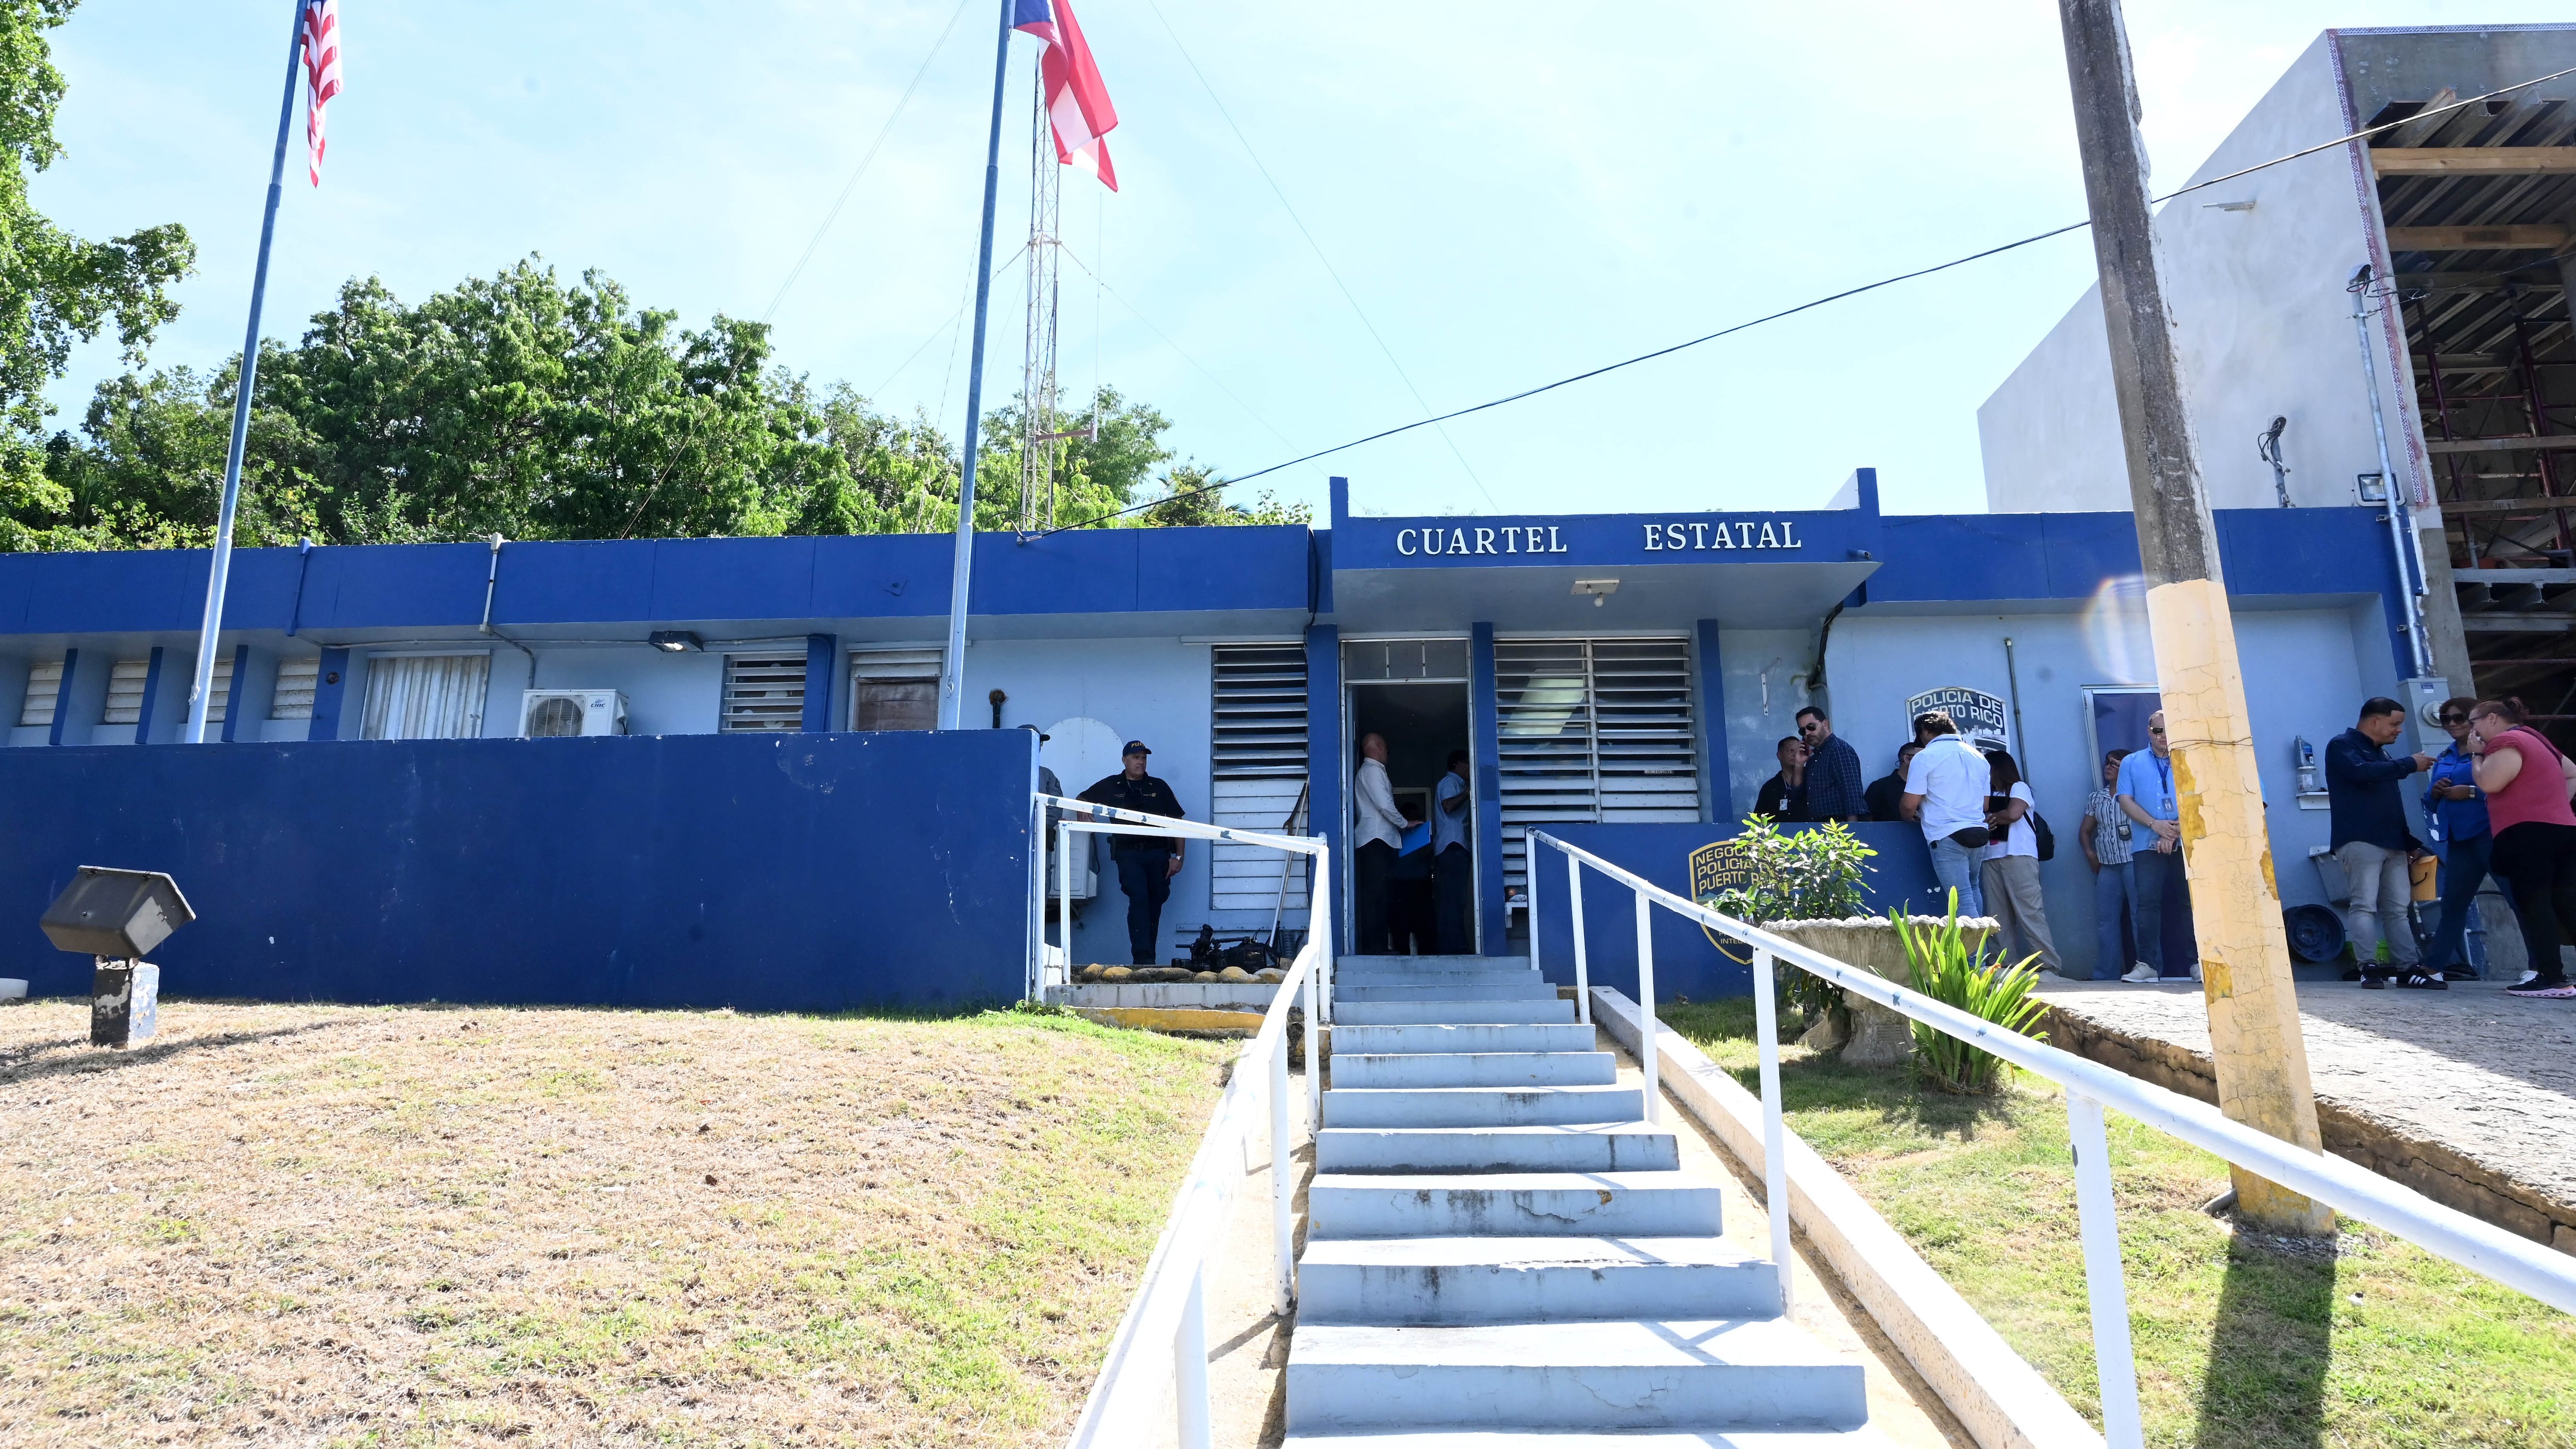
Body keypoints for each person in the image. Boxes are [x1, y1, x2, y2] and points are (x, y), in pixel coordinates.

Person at [2466, 698, 2576, 999]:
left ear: (2491, 719)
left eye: (2473, 723)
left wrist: (2475, 756)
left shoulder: (2506, 740)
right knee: (2566, 903)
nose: (2471, 731)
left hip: (2527, 834)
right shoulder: (2538, 739)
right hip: (2563, 828)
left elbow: (2489, 782)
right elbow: (2572, 773)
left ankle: (2553, 978)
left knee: (2535, 904)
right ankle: (2552, 975)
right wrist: (2552, 805)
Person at [2327, 697, 2437, 988]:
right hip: (2361, 839)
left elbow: (2389, 802)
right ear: (2374, 721)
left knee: (2398, 908)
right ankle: (2369, 967)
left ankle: (2408, 968)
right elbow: (2360, 773)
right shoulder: (2342, 746)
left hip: (2394, 843)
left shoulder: (2383, 756)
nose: (2398, 731)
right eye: (2395, 724)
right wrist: (2409, 764)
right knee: (2364, 905)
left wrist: (2408, 841)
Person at [1076, 741, 1186, 966]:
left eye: (1144, 758)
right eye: (1136, 757)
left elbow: (1177, 822)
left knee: (1155, 903)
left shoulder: (1159, 786)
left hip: (1158, 854)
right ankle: (1142, 959)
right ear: (1125, 760)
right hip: (1129, 855)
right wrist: (1082, 809)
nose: (1141, 762)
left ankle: (1150, 959)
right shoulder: (1112, 785)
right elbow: (1082, 798)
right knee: (1139, 900)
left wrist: (1179, 857)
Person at [2420, 696, 2503, 981]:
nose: (2453, 723)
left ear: (2475, 720)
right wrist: (2435, 793)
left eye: (2459, 717)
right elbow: (2429, 803)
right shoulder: (2444, 757)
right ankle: (2432, 968)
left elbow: (2507, 788)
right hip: (2459, 840)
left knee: (2521, 900)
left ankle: (2541, 968)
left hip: (2491, 834)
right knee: (2453, 905)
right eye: (2446, 719)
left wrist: (2469, 792)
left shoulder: (2494, 751)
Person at [2116, 710, 2196, 982]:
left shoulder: (2189, 757)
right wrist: (2155, 825)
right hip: (2146, 842)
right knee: (2147, 903)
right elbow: (2125, 799)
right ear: (2149, 731)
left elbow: (2199, 795)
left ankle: (2199, 963)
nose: (2164, 737)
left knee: (2192, 902)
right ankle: (2147, 964)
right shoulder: (2131, 761)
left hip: (2188, 841)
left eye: (2169, 730)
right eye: (2159, 731)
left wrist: (2175, 830)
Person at [1979, 748, 2063, 976]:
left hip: (2019, 855)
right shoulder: (1986, 794)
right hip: (1990, 856)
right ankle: (2003, 965)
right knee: (1997, 916)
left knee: (2029, 912)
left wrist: (1986, 819)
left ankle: (2048, 966)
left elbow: (2014, 813)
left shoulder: (2019, 787)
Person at [1902, 711, 1991, 916]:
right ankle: (1982, 948)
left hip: (1947, 835)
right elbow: (1985, 804)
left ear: (1926, 731)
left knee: (1962, 900)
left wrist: (1910, 815)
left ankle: (1975, 950)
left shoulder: (1925, 757)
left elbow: (1909, 806)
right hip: (1977, 832)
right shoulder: (1979, 757)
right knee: (1973, 889)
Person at [2081, 750, 2142, 981]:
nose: (2108, 767)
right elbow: (2085, 831)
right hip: (2107, 866)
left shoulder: (2136, 795)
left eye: (2115, 764)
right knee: (2106, 921)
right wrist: (2090, 854)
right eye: (2107, 762)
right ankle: (2106, 974)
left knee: (2140, 918)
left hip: (2134, 862)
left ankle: (2147, 969)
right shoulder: (2097, 798)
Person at [1351, 732, 1404, 956]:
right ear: (1379, 747)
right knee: (1376, 897)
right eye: (1386, 749)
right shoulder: (1372, 770)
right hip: (1376, 840)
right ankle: (1376, 947)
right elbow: (1384, 805)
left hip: (1376, 840)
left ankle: (1378, 946)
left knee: (1379, 895)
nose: (1387, 754)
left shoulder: (1373, 771)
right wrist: (1404, 823)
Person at [1433, 748, 1474, 953]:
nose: (1469, 768)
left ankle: (1454, 946)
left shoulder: (1456, 784)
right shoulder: (1450, 783)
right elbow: (1448, 806)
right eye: (1467, 763)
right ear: (1457, 764)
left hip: (1453, 848)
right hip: (1453, 847)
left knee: (1454, 901)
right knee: (1454, 901)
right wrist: (1468, 793)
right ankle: (1454, 949)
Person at [1794, 707, 1867, 821]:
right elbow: (1798, 794)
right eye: (1803, 731)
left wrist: (1852, 830)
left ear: (1825, 724)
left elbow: (1851, 791)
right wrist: (1799, 765)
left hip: (1839, 824)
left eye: (1811, 727)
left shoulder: (1839, 749)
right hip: (1818, 825)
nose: (1808, 733)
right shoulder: (1814, 757)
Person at [1390, 798, 1437, 954]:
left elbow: (1430, 857)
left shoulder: (1424, 837)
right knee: (1401, 926)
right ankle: (1401, 955)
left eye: (1418, 818)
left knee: (1424, 927)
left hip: (1421, 884)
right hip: (1400, 885)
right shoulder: (1393, 836)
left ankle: (1427, 956)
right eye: (1411, 818)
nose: (1415, 821)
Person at [1754, 737, 1810, 821]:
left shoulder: (1812, 779)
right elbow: (1759, 819)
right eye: (1790, 751)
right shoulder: (1770, 788)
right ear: (1779, 755)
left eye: (1798, 751)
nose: (1795, 754)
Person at [1863, 742, 1921, 824]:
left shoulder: (1930, 786)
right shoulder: (1880, 787)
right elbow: (1867, 819)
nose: (1927, 761)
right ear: (1907, 759)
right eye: (1921, 757)